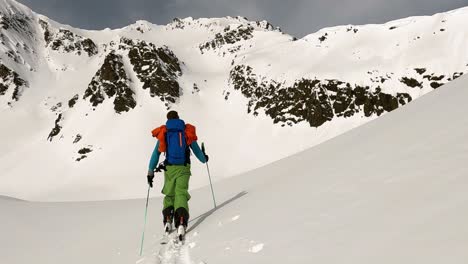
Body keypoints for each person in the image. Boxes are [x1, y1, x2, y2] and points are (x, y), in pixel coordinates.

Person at [147, 110, 208, 238]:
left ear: (167, 120)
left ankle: (168, 219)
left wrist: (150, 171)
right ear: (178, 118)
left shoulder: (164, 132)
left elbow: (156, 154)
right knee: (181, 192)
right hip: (184, 168)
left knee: (170, 193)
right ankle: (181, 221)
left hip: (169, 169)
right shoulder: (186, 131)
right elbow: (196, 150)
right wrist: (204, 158)